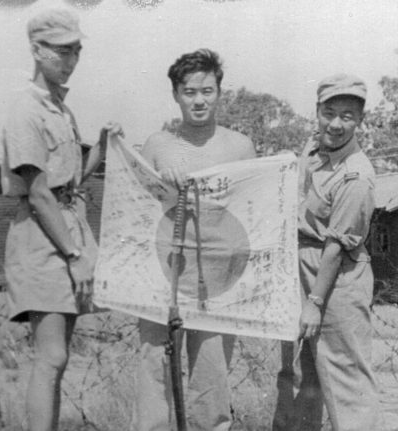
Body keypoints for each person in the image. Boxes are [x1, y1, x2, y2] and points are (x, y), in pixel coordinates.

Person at [0, 9, 123, 431]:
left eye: (76, 51)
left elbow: (69, 179)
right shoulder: (26, 110)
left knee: (59, 357)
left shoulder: (59, 109)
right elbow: (37, 192)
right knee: (50, 357)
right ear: (37, 50)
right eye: (62, 51)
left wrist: (102, 145)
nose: (70, 60)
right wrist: (74, 254)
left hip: (64, 231)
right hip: (43, 240)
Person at [136, 48, 256, 431]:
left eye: (207, 90)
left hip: (217, 279)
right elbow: (137, 211)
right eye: (189, 91)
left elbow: (254, 213)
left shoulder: (240, 146)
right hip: (163, 276)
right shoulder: (156, 145)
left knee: (211, 377)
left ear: (220, 92)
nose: (199, 100)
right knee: (155, 371)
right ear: (176, 94)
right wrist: (161, 188)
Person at [272, 74, 379, 431]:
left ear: (359, 121)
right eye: (328, 112)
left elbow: (336, 246)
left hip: (336, 280)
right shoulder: (314, 156)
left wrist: (315, 303)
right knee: (300, 377)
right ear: (316, 112)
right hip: (301, 269)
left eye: (347, 116)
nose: (335, 124)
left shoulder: (356, 175)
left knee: (345, 380)